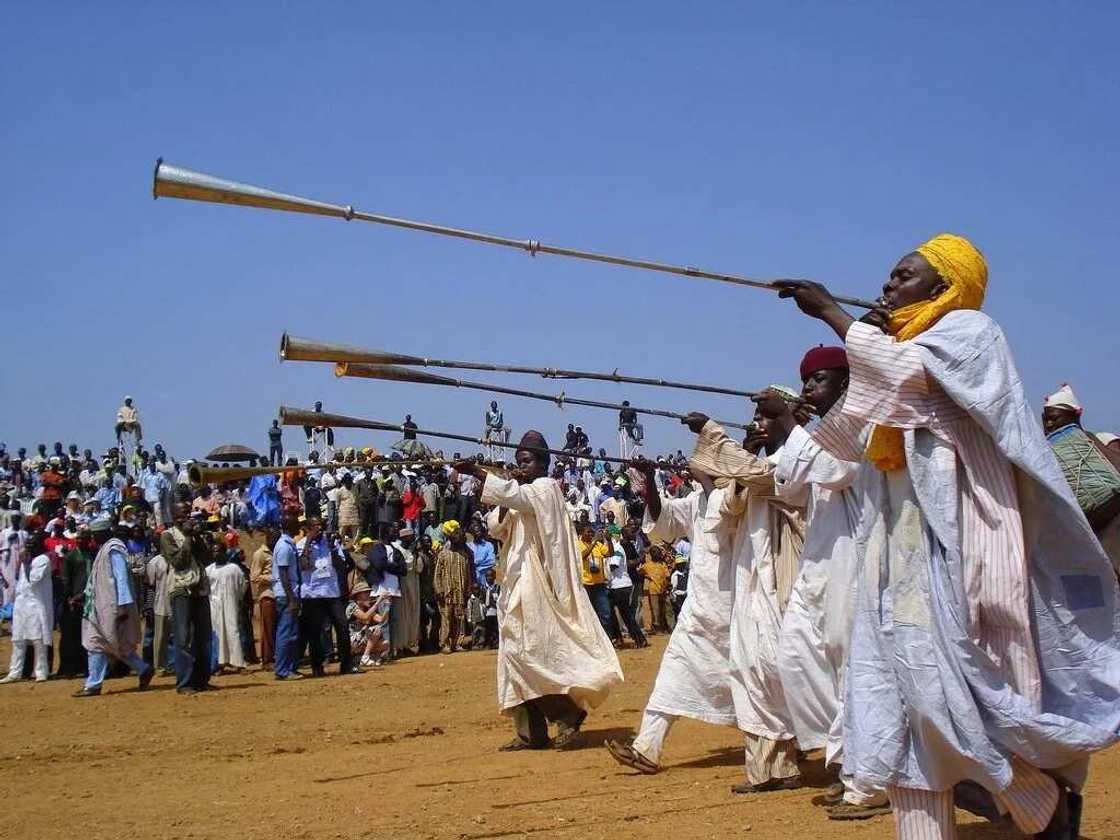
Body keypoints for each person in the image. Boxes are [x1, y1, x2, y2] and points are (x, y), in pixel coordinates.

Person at [775, 233, 1120, 840]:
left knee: (945, 691)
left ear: (947, 285)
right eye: (889, 274)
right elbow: (833, 445)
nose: (888, 284)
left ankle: (1037, 798)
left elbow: (906, 378)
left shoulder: (969, 335)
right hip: (897, 556)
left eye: (903, 275)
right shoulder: (890, 354)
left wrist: (834, 313)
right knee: (896, 702)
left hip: (961, 550)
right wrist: (802, 408)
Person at [768, 346, 890, 819]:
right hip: (818, 562)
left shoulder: (859, 421)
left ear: (845, 383)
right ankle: (845, 759)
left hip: (853, 560)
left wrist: (795, 426)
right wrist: (790, 427)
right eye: (806, 382)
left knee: (851, 668)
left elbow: (833, 471)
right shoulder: (819, 430)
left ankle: (865, 776)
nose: (807, 391)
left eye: (818, 381)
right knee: (795, 660)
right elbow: (791, 485)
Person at [455, 430, 622, 751]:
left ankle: (568, 714)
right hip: (514, 581)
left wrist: (480, 473)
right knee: (513, 655)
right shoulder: (521, 492)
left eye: (528, 461)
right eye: (519, 462)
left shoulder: (545, 489)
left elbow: (515, 498)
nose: (523, 466)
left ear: (544, 463)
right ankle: (530, 732)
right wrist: (505, 486)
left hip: (537, 584)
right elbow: (495, 527)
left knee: (529, 653)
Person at [606, 455, 740, 776]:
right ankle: (646, 748)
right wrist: (650, 481)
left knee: (762, 686)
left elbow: (727, 505)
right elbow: (662, 521)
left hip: (740, 611)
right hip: (699, 609)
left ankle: (788, 744)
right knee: (672, 676)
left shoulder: (741, 497)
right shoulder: (695, 502)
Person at [1042, 384, 1120, 576]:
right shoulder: (1045, 455)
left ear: (1076, 416)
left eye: (1054, 418)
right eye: (1045, 420)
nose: (1048, 424)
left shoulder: (1104, 440)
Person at [74, 518, 154, 697]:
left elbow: (121, 579)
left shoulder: (114, 549)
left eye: (94, 534)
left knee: (97, 642)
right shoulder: (104, 549)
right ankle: (143, 668)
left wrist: (123, 607)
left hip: (113, 607)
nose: (92, 538)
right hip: (101, 604)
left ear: (102, 533)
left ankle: (93, 684)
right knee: (114, 644)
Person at [161, 504, 212, 695]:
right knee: (183, 637)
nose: (186, 517)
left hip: (200, 589)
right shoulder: (168, 536)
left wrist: (197, 537)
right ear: (174, 516)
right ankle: (185, 682)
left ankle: (202, 679)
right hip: (181, 590)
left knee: (203, 637)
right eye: (182, 514)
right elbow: (178, 562)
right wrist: (189, 538)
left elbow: (207, 558)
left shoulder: (194, 535)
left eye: (187, 513)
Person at [296, 517, 355, 676]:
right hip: (312, 594)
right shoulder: (301, 545)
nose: (320, 529)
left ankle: (346, 664)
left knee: (342, 626)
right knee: (315, 632)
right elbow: (304, 565)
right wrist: (308, 541)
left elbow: (342, 565)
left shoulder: (330, 543)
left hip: (332, 592)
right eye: (315, 526)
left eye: (321, 526)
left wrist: (334, 548)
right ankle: (317, 667)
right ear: (308, 529)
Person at [1, 531, 53, 683]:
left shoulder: (43, 559)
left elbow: (34, 579)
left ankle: (41, 671)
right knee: (18, 640)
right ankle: (14, 672)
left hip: (36, 605)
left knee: (38, 640)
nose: (29, 548)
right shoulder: (27, 560)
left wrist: (26, 563)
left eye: (32, 545)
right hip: (22, 605)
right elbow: (20, 581)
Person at [206, 542, 247, 672]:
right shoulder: (209, 570)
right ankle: (219, 663)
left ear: (224, 552)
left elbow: (242, 585)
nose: (215, 553)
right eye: (213, 551)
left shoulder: (234, 568)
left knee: (233, 631)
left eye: (218, 551)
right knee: (218, 633)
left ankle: (238, 663)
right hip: (214, 606)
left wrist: (237, 598)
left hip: (231, 603)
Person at [271, 515, 303, 680]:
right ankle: (282, 670)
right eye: (297, 523)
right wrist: (291, 598)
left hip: (289, 592)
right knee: (285, 632)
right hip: (286, 593)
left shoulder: (288, 544)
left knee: (291, 632)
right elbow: (283, 573)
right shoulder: (284, 547)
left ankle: (289, 668)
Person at [58, 528, 93, 677]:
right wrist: (69, 598)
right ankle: (71, 668)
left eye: (83, 538)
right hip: (75, 600)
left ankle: (86, 666)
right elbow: (66, 579)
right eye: (78, 538)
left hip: (90, 598)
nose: (80, 541)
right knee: (73, 635)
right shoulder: (71, 556)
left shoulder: (92, 554)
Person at [434, 521, 472, 653]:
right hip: (447, 592)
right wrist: (439, 589)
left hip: (460, 592)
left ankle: (457, 643)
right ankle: (444, 643)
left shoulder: (464, 556)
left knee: (459, 618)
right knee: (446, 618)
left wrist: (467, 590)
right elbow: (437, 574)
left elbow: (468, 575)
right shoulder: (443, 554)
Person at [605, 529, 648, 648]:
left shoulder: (617, 549)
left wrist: (602, 564)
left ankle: (639, 639)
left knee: (626, 614)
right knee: (610, 612)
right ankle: (618, 637)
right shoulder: (614, 548)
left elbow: (613, 566)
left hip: (620, 586)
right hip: (614, 585)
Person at [389, 528, 421, 656]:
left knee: (413, 614)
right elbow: (405, 567)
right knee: (402, 616)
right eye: (410, 537)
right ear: (404, 538)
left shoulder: (412, 551)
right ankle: (400, 646)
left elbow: (418, 568)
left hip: (413, 584)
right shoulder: (397, 549)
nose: (413, 540)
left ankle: (410, 643)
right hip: (402, 585)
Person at [577, 523, 612, 635]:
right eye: (588, 532)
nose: (591, 534)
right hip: (586, 585)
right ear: (581, 533)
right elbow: (583, 556)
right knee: (589, 614)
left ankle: (607, 639)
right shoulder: (578, 544)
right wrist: (594, 542)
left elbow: (610, 553)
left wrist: (609, 540)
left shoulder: (598, 545)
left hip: (599, 584)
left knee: (605, 613)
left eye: (592, 532)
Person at [250, 526, 278, 668]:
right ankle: (267, 660)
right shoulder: (260, 554)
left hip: (279, 594)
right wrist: (273, 578)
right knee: (267, 629)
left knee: (277, 628)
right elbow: (254, 577)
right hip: (267, 595)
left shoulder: (278, 551)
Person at [145, 548, 173, 675]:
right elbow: (150, 586)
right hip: (160, 604)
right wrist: (149, 606)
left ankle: (175, 664)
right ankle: (160, 666)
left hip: (177, 604)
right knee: (160, 637)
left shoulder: (179, 560)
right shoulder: (154, 562)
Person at [467, 520, 496, 586]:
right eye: (476, 531)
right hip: (471, 579)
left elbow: (491, 561)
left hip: (485, 579)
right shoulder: (468, 546)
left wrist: (476, 564)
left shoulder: (489, 545)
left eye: (479, 531)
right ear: (472, 533)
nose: (478, 533)